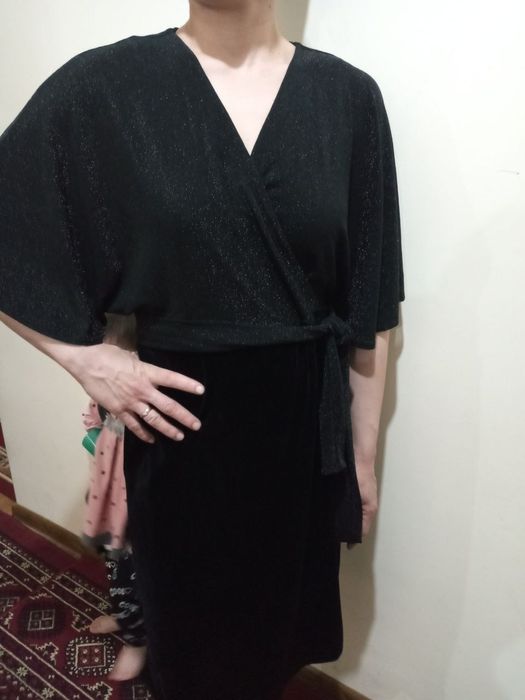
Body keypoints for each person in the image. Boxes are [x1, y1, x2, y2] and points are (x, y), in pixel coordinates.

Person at [0, 2, 405, 699]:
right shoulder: (106, 88)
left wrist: (362, 460)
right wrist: (85, 360)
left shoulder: (348, 98)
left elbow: (371, 300)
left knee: (274, 642)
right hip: (181, 435)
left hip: (303, 436)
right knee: (191, 650)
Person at [80, 312, 148, 682]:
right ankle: (124, 618)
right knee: (116, 573)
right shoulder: (103, 395)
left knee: (134, 581)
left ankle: (138, 642)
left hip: (139, 516)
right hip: (108, 505)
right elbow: (93, 418)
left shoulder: (147, 409)